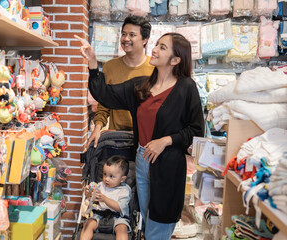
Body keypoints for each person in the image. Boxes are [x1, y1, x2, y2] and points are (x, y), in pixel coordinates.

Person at [75, 32, 204, 239]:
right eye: (157, 45)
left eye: (162, 47)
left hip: (168, 164)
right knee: (147, 218)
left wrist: (166, 141)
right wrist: (92, 62)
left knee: (160, 222)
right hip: (143, 160)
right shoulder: (141, 86)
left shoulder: (186, 88)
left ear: (176, 59)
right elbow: (105, 94)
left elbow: (196, 131)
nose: (154, 49)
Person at [87, 15, 155, 148]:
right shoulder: (110, 67)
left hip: (147, 139)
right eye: (123, 34)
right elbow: (103, 103)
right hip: (118, 137)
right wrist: (97, 128)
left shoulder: (155, 68)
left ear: (145, 40)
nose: (126, 39)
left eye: (132, 34)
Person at [80, 155, 132, 240]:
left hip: (118, 217)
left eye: (111, 176)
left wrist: (105, 199)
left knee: (122, 229)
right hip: (98, 214)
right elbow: (91, 199)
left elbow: (119, 207)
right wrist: (88, 193)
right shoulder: (100, 185)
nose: (106, 179)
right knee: (88, 224)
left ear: (122, 179)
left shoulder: (124, 190)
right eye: (105, 174)